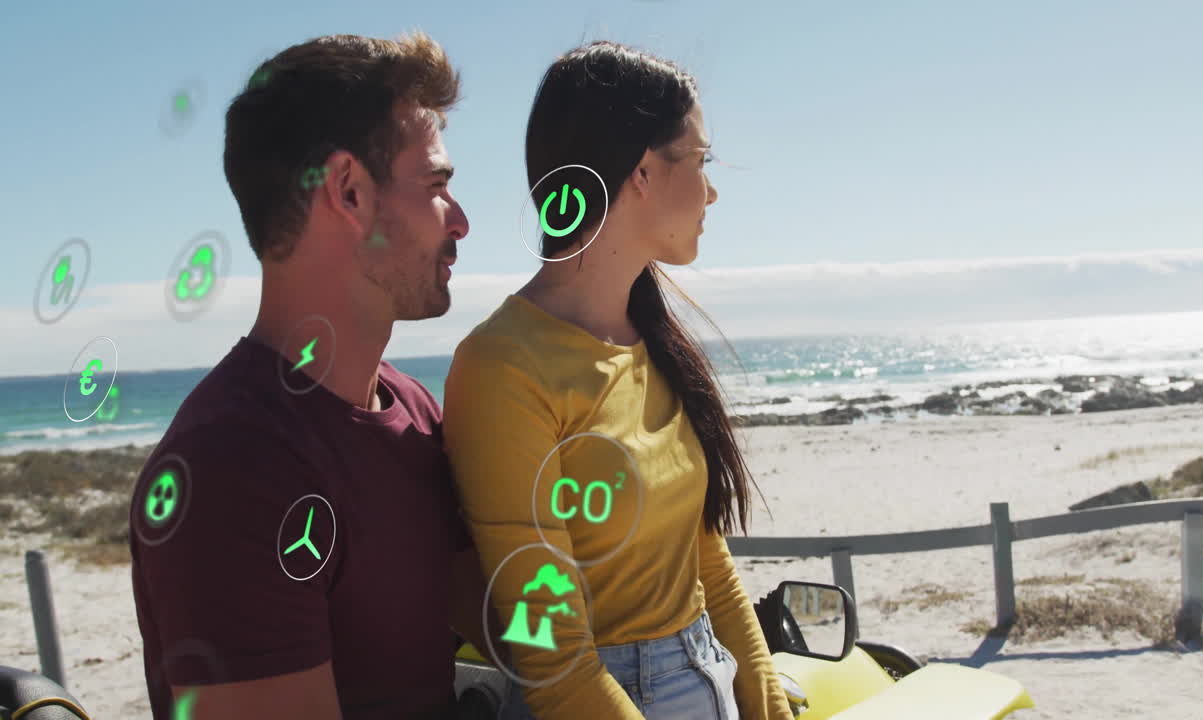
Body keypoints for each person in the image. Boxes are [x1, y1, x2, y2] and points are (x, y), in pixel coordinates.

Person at [129, 32, 488, 720]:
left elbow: (511, 629)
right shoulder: (233, 471)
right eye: (438, 185)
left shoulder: (411, 409)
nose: (463, 220)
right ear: (349, 191)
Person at [443, 41, 792, 719]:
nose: (713, 189)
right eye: (700, 160)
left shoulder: (653, 339)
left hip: (706, 677)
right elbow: (554, 660)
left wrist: (768, 701)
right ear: (639, 172)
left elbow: (704, 561)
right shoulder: (503, 367)